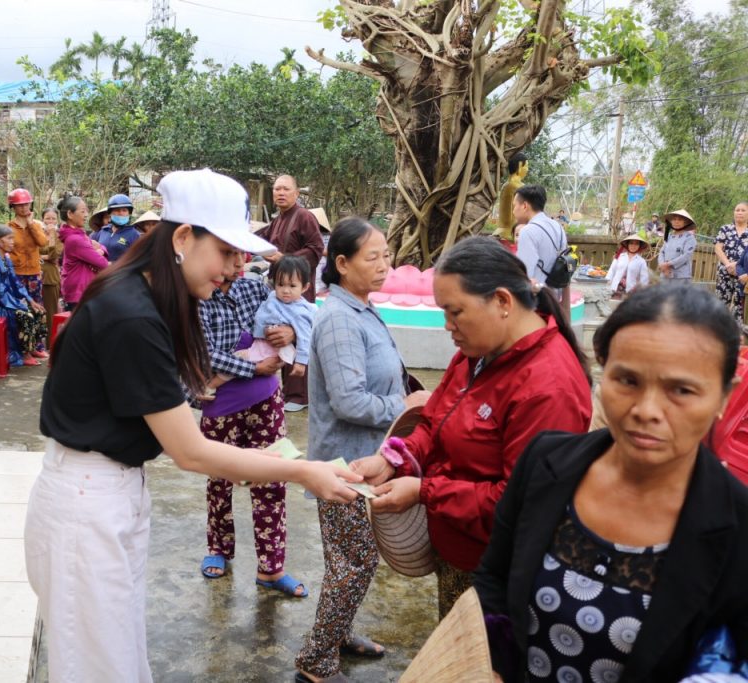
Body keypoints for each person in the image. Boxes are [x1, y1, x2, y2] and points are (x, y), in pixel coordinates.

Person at [25, 169, 363, 683]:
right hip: (87, 502)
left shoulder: (147, 299)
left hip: (110, 491)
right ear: (183, 238)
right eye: (226, 252)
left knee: (119, 657)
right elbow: (190, 451)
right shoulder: (132, 314)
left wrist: (264, 458)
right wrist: (302, 471)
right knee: (98, 667)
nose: (235, 268)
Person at [474, 284, 748, 683]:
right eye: (627, 380)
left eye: (682, 390)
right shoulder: (545, 464)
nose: (647, 411)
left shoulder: (737, 526)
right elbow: (494, 576)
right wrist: (494, 664)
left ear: (724, 396)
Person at [351, 236, 592, 619]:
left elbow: (518, 502)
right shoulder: (476, 353)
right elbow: (434, 421)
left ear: (502, 301)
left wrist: (425, 491)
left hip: (498, 568)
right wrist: (394, 460)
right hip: (457, 550)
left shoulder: (547, 387)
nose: (447, 326)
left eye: (455, 312)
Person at [294, 217, 417, 683]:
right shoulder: (340, 319)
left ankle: (338, 634)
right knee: (355, 563)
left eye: (387, 256)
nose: (385, 265)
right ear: (342, 264)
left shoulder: (361, 308)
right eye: (373, 257)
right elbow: (349, 402)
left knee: (349, 561)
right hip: (345, 468)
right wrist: (404, 406)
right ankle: (315, 659)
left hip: (367, 460)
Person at [196, 249, 306, 598]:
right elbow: (202, 352)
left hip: (267, 401)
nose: (238, 264)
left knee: (272, 478)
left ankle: (271, 569)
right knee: (219, 480)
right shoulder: (198, 296)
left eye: (240, 256)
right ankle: (218, 548)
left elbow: (295, 308)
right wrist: (253, 368)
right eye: (228, 255)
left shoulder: (255, 287)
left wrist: (291, 333)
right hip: (220, 405)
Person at [258, 175, 324, 412]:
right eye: (277, 189)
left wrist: (284, 258)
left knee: (298, 335)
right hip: (281, 291)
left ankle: (299, 395)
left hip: (298, 291)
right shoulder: (278, 219)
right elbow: (261, 237)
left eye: (286, 189)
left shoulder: (304, 216)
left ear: (296, 193)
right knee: (283, 336)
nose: (280, 193)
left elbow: (316, 249)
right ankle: (289, 391)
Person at [0, 226, 47, 367]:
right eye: (9, 238)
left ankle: (32, 347)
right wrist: (19, 304)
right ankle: (24, 353)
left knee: (38, 310)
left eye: (12, 238)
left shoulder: (6, 259)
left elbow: (16, 283)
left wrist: (30, 300)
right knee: (26, 315)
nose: (12, 242)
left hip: (5, 302)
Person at [242, 254, 314, 378]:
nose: (285, 290)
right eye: (280, 284)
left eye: (292, 286)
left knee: (237, 359)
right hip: (260, 343)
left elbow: (304, 337)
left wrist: (301, 363)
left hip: (270, 349)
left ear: (305, 287)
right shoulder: (273, 296)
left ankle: (212, 383)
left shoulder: (300, 312)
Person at [6, 187, 48, 357]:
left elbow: (43, 242)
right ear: (13, 207)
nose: (24, 207)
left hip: (34, 273)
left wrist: (31, 224)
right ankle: (23, 350)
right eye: (19, 205)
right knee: (21, 311)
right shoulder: (8, 228)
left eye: (26, 204)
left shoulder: (36, 225)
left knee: (37, 308)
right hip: (16, 275)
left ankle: (37, 346)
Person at [57, 196, 109, 311]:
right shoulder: (75, 239)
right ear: (70, 214)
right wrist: (99, 251)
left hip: (81, 288)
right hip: (78, 292)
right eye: (82, 211)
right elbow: (102, 263)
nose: (86, 215)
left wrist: (100, 249)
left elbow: (98, 247)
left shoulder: (79, 235)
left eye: (86, 211)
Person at [514, 185, 568, 294]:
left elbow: (524, 275)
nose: (513, 211)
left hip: (537, 297)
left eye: (514, 206)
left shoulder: (528, 231)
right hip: (555, 296)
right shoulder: (557, 226)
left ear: (524, 206)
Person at [714, 202, 748, 319]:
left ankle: (738, 329)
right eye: (737, 210)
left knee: (740, 307)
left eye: (743, 210)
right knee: (720, 304)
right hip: (724, 271)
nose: (739, 212)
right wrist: (728, 264)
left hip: (743, 274)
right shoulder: (725, 229)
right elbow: (718, 248)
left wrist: (737, 265)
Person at [92, 193, 141, 261]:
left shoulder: (135, 235)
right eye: (117, 210)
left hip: (122, 268)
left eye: (124, 210)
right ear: (110, 213)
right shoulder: (103, 231)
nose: (121, 213)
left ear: (129, 213)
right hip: (101, 268)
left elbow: (138, 260)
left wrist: (112, 265)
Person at [39, 207, 63, 332]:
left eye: (53, 218)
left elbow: (54, 255)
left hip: (50, 278)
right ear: (42, 219)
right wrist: (44, 257)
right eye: (47, 218)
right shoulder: (37, 233)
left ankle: (50, 341)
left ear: (57, 220)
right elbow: (29, 252)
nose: (50, 221)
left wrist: (52, 234)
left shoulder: (60, 235)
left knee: (50, 312)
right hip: (34, 276)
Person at [606, 233, 650, 299]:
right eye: (631, 243)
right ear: (627, 244)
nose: (633, 246)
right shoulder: (619, 257)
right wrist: (606, 284)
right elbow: (611, 271)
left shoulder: (641, 261)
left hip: (630, 291)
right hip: (615, 289)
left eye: (636, 244)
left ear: (639, 246)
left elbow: (644, 279)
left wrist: (642, 293)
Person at [496, 152, 529, 240]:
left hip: (502, 231)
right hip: (513, 233)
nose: (527, 169)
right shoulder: (519, 187)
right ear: (520, 165)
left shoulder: (505, 185)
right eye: (526, 166)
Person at [658, 209, 696, 283]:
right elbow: (662, 252)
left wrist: (668, 264)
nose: (676, 222)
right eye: (674, 219)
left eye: (679, 220)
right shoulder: (669, 236)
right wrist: (662, 265)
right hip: (665, 274)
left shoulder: (689, 238)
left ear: (685, 222)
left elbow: (686, 255)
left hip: (681, 276)